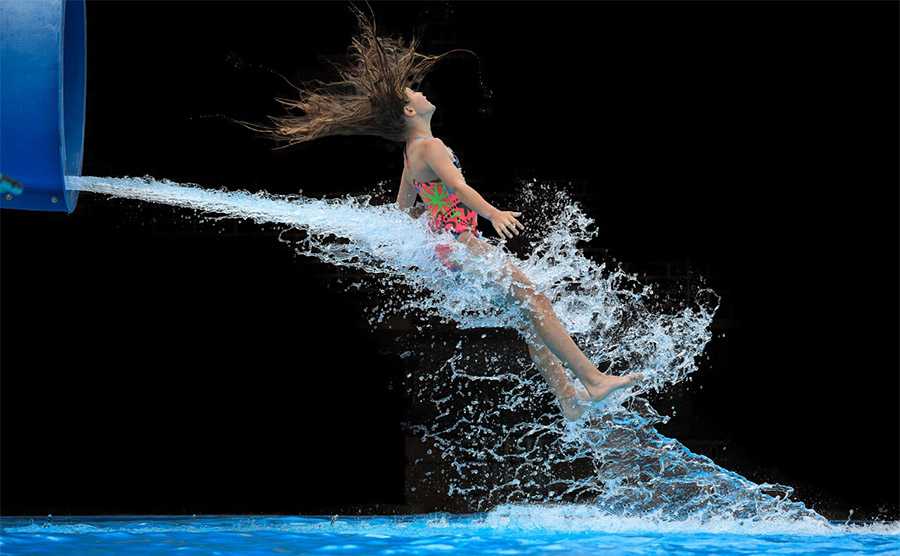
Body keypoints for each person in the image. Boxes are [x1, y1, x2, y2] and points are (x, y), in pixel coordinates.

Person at [232, 2, 641, 421]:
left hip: (454, 249)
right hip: (464, 245)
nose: (423, 93)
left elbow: (402, 209)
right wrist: (493, 213)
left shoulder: (411, 156)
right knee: (534, 300)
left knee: (527, 312)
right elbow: (460, 188)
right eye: (416, 94)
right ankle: (592, 380)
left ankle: (567, 398)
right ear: (411, 112)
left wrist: (434, 234)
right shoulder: (429, 146)